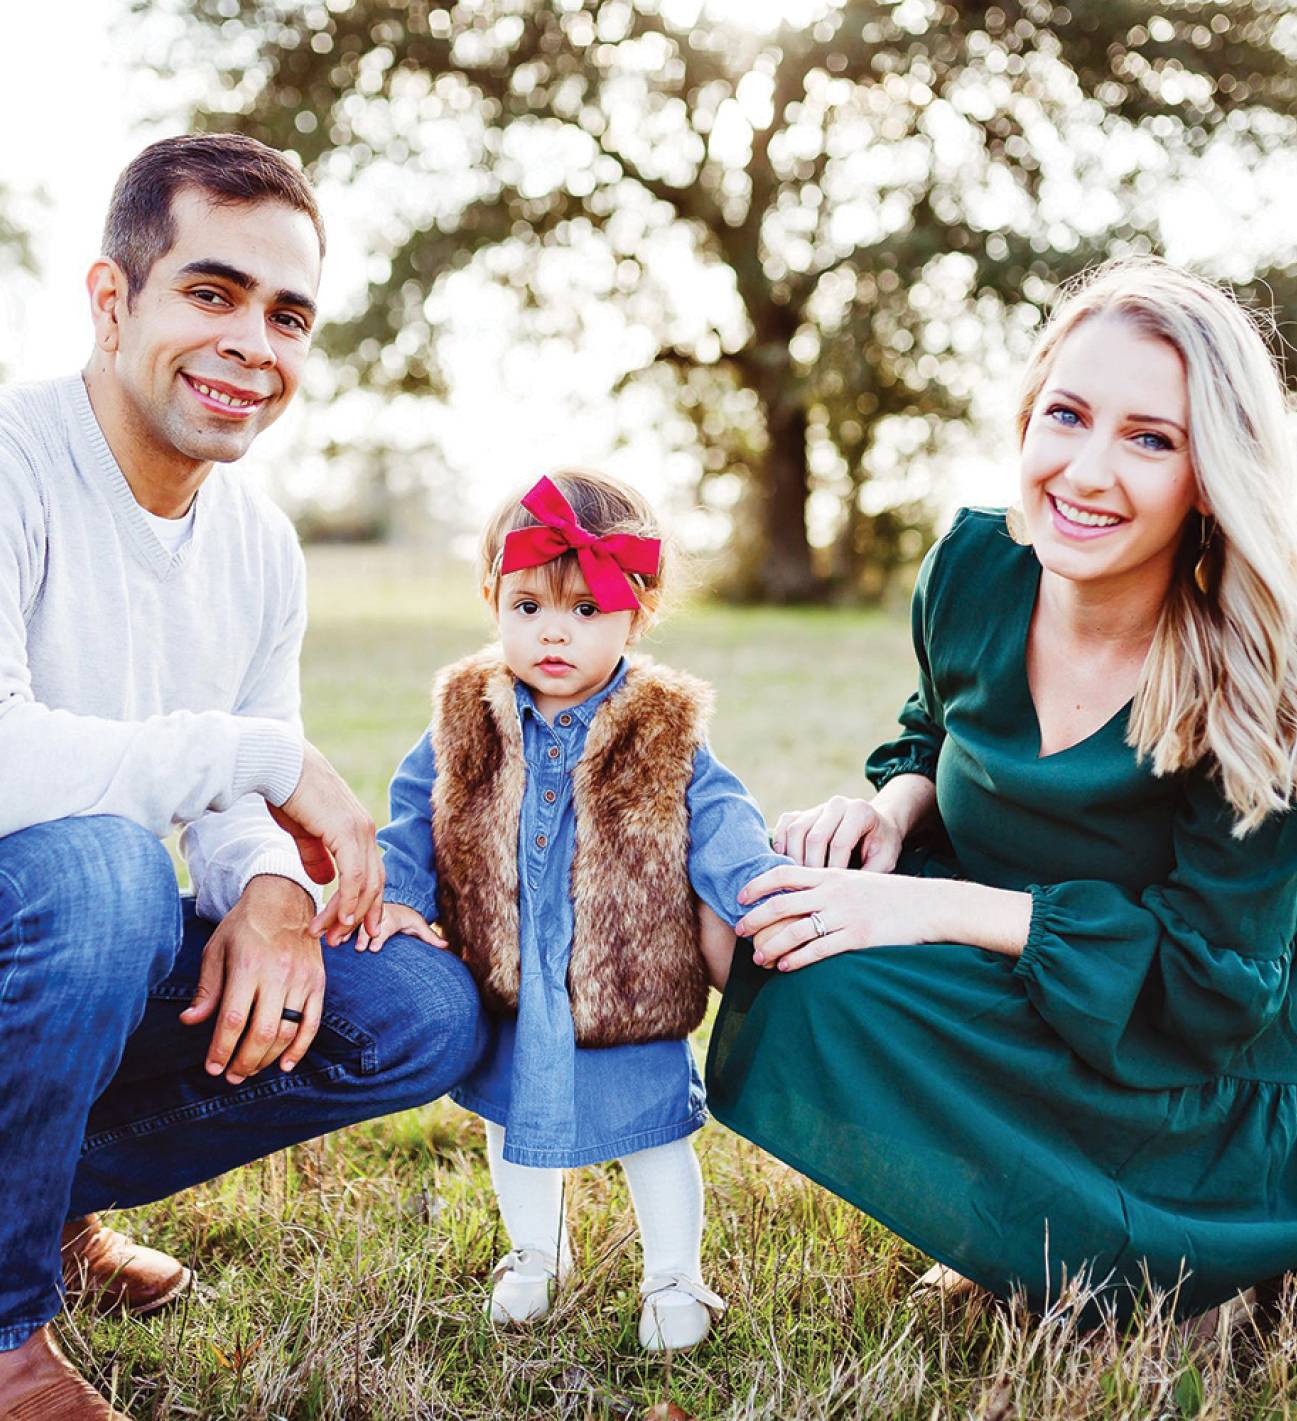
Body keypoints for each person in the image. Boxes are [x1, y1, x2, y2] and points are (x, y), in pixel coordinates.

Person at [705, 258, 1297, 1325]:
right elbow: (936, 724)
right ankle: (1008, 1228)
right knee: (765, 927)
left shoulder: (1259, 674)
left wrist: (923, 905)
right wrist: (887, 813)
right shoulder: (977, 566)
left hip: (1184, 1075)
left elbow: (1217, 990)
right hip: (1018, 998)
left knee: (830, 944)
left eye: (1148, 438)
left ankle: (1178, 1257)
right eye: (1065, 414)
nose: (1086, 470)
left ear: (1209, 473)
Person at [0, 135, 484, 1421]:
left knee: (417, 1005)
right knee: (103, 870)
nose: (252, 345)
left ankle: (44, 1207)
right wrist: (269, 764)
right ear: (114, 302)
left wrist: (272, 884)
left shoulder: (259, 543)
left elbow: (227, 786)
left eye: (286, 315)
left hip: (72, 942)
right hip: (48, 907)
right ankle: (0, 1338)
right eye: (210, 294)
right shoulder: (11, 461)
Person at [359, 470, 786, 1350]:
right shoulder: (465, 717)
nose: (553, 631)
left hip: (623, 980)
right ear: (492, 600)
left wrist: (753, 894)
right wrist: (399, 896)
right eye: (527, 606)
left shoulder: (662, 726)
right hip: (510, 970)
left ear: (639, 611)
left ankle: (674, 1273)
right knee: (513, 1123)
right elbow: (411, 811)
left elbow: (722, 820)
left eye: (586, 609)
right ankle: (532, 1252)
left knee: (654, 1133)